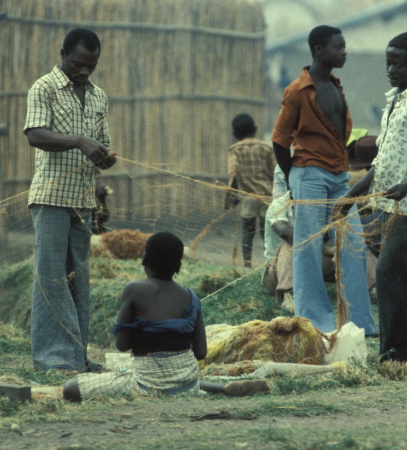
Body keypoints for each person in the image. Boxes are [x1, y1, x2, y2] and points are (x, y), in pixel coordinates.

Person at [335, 31, 407, 365]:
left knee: (388, 274)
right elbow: (381, 162)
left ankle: (399, 353)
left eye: (398, 64)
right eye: (388, 63)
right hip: (393, 204)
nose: (391, 70)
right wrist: (351, 196)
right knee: (404, 279)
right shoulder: (395, 101)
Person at [63, 232, 269, 401]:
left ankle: (206, 387)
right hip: (187, 381)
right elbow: (201, 352)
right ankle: (221, 388)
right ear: (178, 266)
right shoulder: (190, 296)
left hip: (146, 384)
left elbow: (122, 345)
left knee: (71, 388)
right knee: (180, 383)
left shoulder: (134, 289)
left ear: (144, 259)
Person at [270, 25, 377, 336]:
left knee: (353, 244)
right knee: (308, 249)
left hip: (339, 178)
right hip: (309, 176)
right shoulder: (296, 91)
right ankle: (314, 322)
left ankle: (358, 323)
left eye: (344, 46)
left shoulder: (335, 85)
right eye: (338, 47)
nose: (344, 52)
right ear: (319, 50)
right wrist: (293, 180)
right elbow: (279, 141)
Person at [24, 28, 117, 374]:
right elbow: (35, 135)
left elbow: (102, 144)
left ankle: (77, 357)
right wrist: (80, 141)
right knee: (51, 278)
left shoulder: (98, 96)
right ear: (63, 54)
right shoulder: (44, 88)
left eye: (91, 66)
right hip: (50, 198)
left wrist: (105, 158)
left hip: (83, 201)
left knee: (78, 280)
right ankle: (52, 359)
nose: (84, 71)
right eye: (78, 64)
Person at [262, 191, 377, 310]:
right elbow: (282, 230)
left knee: (347, 238)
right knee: (292, 240)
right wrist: (321, 248)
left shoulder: (321, 202)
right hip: (276, 273)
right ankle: (291, 294)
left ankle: (372, 287)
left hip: (314, 267)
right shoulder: (279, 204)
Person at [225, 113, 275, 268]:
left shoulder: (235, 149)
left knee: (248, 231)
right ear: (255, 129)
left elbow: (233, 174)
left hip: (248, 197)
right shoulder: (266, 147)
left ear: (235, 134)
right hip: (267, 196)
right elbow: (274, 172)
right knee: (266, 232)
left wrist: (232, 195)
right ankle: (269, 264)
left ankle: (247, 265)